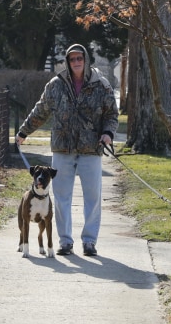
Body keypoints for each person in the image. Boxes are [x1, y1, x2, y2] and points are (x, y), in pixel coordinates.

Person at [15, 44, 119, 256]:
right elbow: (41, 110)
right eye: (72, 59)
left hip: (91, 148)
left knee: (93, 196)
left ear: (86, 59)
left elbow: (112, 113)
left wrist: (108, 132)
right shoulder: (56, 84)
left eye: (80, 58)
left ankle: (89, 241)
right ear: (67, 62)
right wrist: (24, 132)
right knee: (61, 197)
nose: (76, 62)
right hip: (63, 148)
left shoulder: (101, 84)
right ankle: (65, 241)